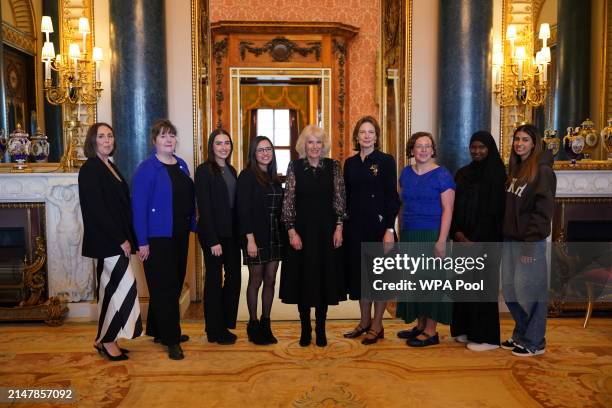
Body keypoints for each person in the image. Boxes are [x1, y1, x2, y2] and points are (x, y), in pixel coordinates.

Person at [132, 119, 195, 360]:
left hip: (179, 233)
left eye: (172, 135)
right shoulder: (146, 169)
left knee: (175, 282)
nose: (168, 140)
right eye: (163, 136)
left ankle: (158, 329)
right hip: (157, 238)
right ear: (155, 141)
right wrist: (142, 242)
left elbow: (187, 198)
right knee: (165, 287)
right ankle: (172, 339)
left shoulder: (181, 165)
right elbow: (138, 208)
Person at [78, 122, 142, 361]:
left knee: (116, 290)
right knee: (116, 290)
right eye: (101, 136)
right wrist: (121, 239)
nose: (107, 140)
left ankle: (104, 338)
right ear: (92, 141)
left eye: (110, 136)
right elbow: (97, 210)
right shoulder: (90, 169)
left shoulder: (109, 166)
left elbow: (120, 206)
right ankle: (107, 341)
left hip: (117, 240)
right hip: (108, 242)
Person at [280, 125, 346, 347]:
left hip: (327, 231)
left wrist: (339, 227)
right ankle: (305, 329)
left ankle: (321, 328)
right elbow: (288, 201)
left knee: (323, 279)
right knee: (303, 279)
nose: (315, 146)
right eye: (310, 142)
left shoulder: (333, 166)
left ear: (323, 145)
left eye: (318, 142)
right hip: (302, 231)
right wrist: (291, 231)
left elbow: (339, 199)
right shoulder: (295, 166)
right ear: (304, 145)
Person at [342, 116, 400, 345]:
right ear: (356, 136)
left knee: (379, 278)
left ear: (376, 137)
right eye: (362, 132)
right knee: (360, 277)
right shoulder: (350, 163)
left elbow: (392, 198)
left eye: (371, 132)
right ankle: (363, 322)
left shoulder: (386, 161)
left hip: (379, 228)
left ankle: (377, 325)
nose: (366, 136)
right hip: (354, 227)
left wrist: (389, 228)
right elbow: (345, 197)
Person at [396, 131, 455, 347]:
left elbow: (448, 210)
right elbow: (401, 205)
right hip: (410, 234)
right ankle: (420, 326)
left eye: (427, 146)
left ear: (433, 150)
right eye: (418, 146)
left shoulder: (442, 175)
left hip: (432, 235)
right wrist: (401, 233)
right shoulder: (405, 173)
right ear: (412, 150)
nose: (422, 150)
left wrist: (441, 240)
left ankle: (431, 331)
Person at [501, 124, 556, 357]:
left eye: (525, 140)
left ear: (534, 144)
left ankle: (535, 341)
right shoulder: (517, 168)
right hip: (511, 239)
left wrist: (530, 243)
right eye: (517, 139)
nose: (519, 144)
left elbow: (542, 213)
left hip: (529, 241)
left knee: (531, 292)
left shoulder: (543, 171)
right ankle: (521, 334)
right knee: (511, 290)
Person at [450, 131, 506, 351]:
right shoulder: (462, 173)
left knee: (482, 287)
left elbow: (495, 212)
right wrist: (458, 234)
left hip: (486, 241)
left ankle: (488, 338)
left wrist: (476, 240)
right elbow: (452, 207)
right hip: (462, 238)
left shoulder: (498, 174)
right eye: (473, 147)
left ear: (489, 148)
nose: (477, 151)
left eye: (482, 147)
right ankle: (465, 329)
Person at [195, 129, 241, 345]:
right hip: (212, 233)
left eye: (227, 143)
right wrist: (213, 240)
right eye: (219, 143)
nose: (224, 147)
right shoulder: (204, 171)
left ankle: (225, 323)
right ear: (211, 146)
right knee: (214, 280)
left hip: (231, 233)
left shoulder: (231, 169)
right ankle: (214, 329)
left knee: (234, 278)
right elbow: (204, 207)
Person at [237, 136, 284, 345]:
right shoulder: (246, 176)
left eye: (268, 149)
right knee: (256, 279)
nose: (265, 153)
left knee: (271, 278)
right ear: (253, 154)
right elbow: (243, 210)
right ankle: (253, 323)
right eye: (260, 150)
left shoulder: (274, 177)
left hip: (275, 234)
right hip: (255, 235)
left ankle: (266, 322)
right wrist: (250, 239)